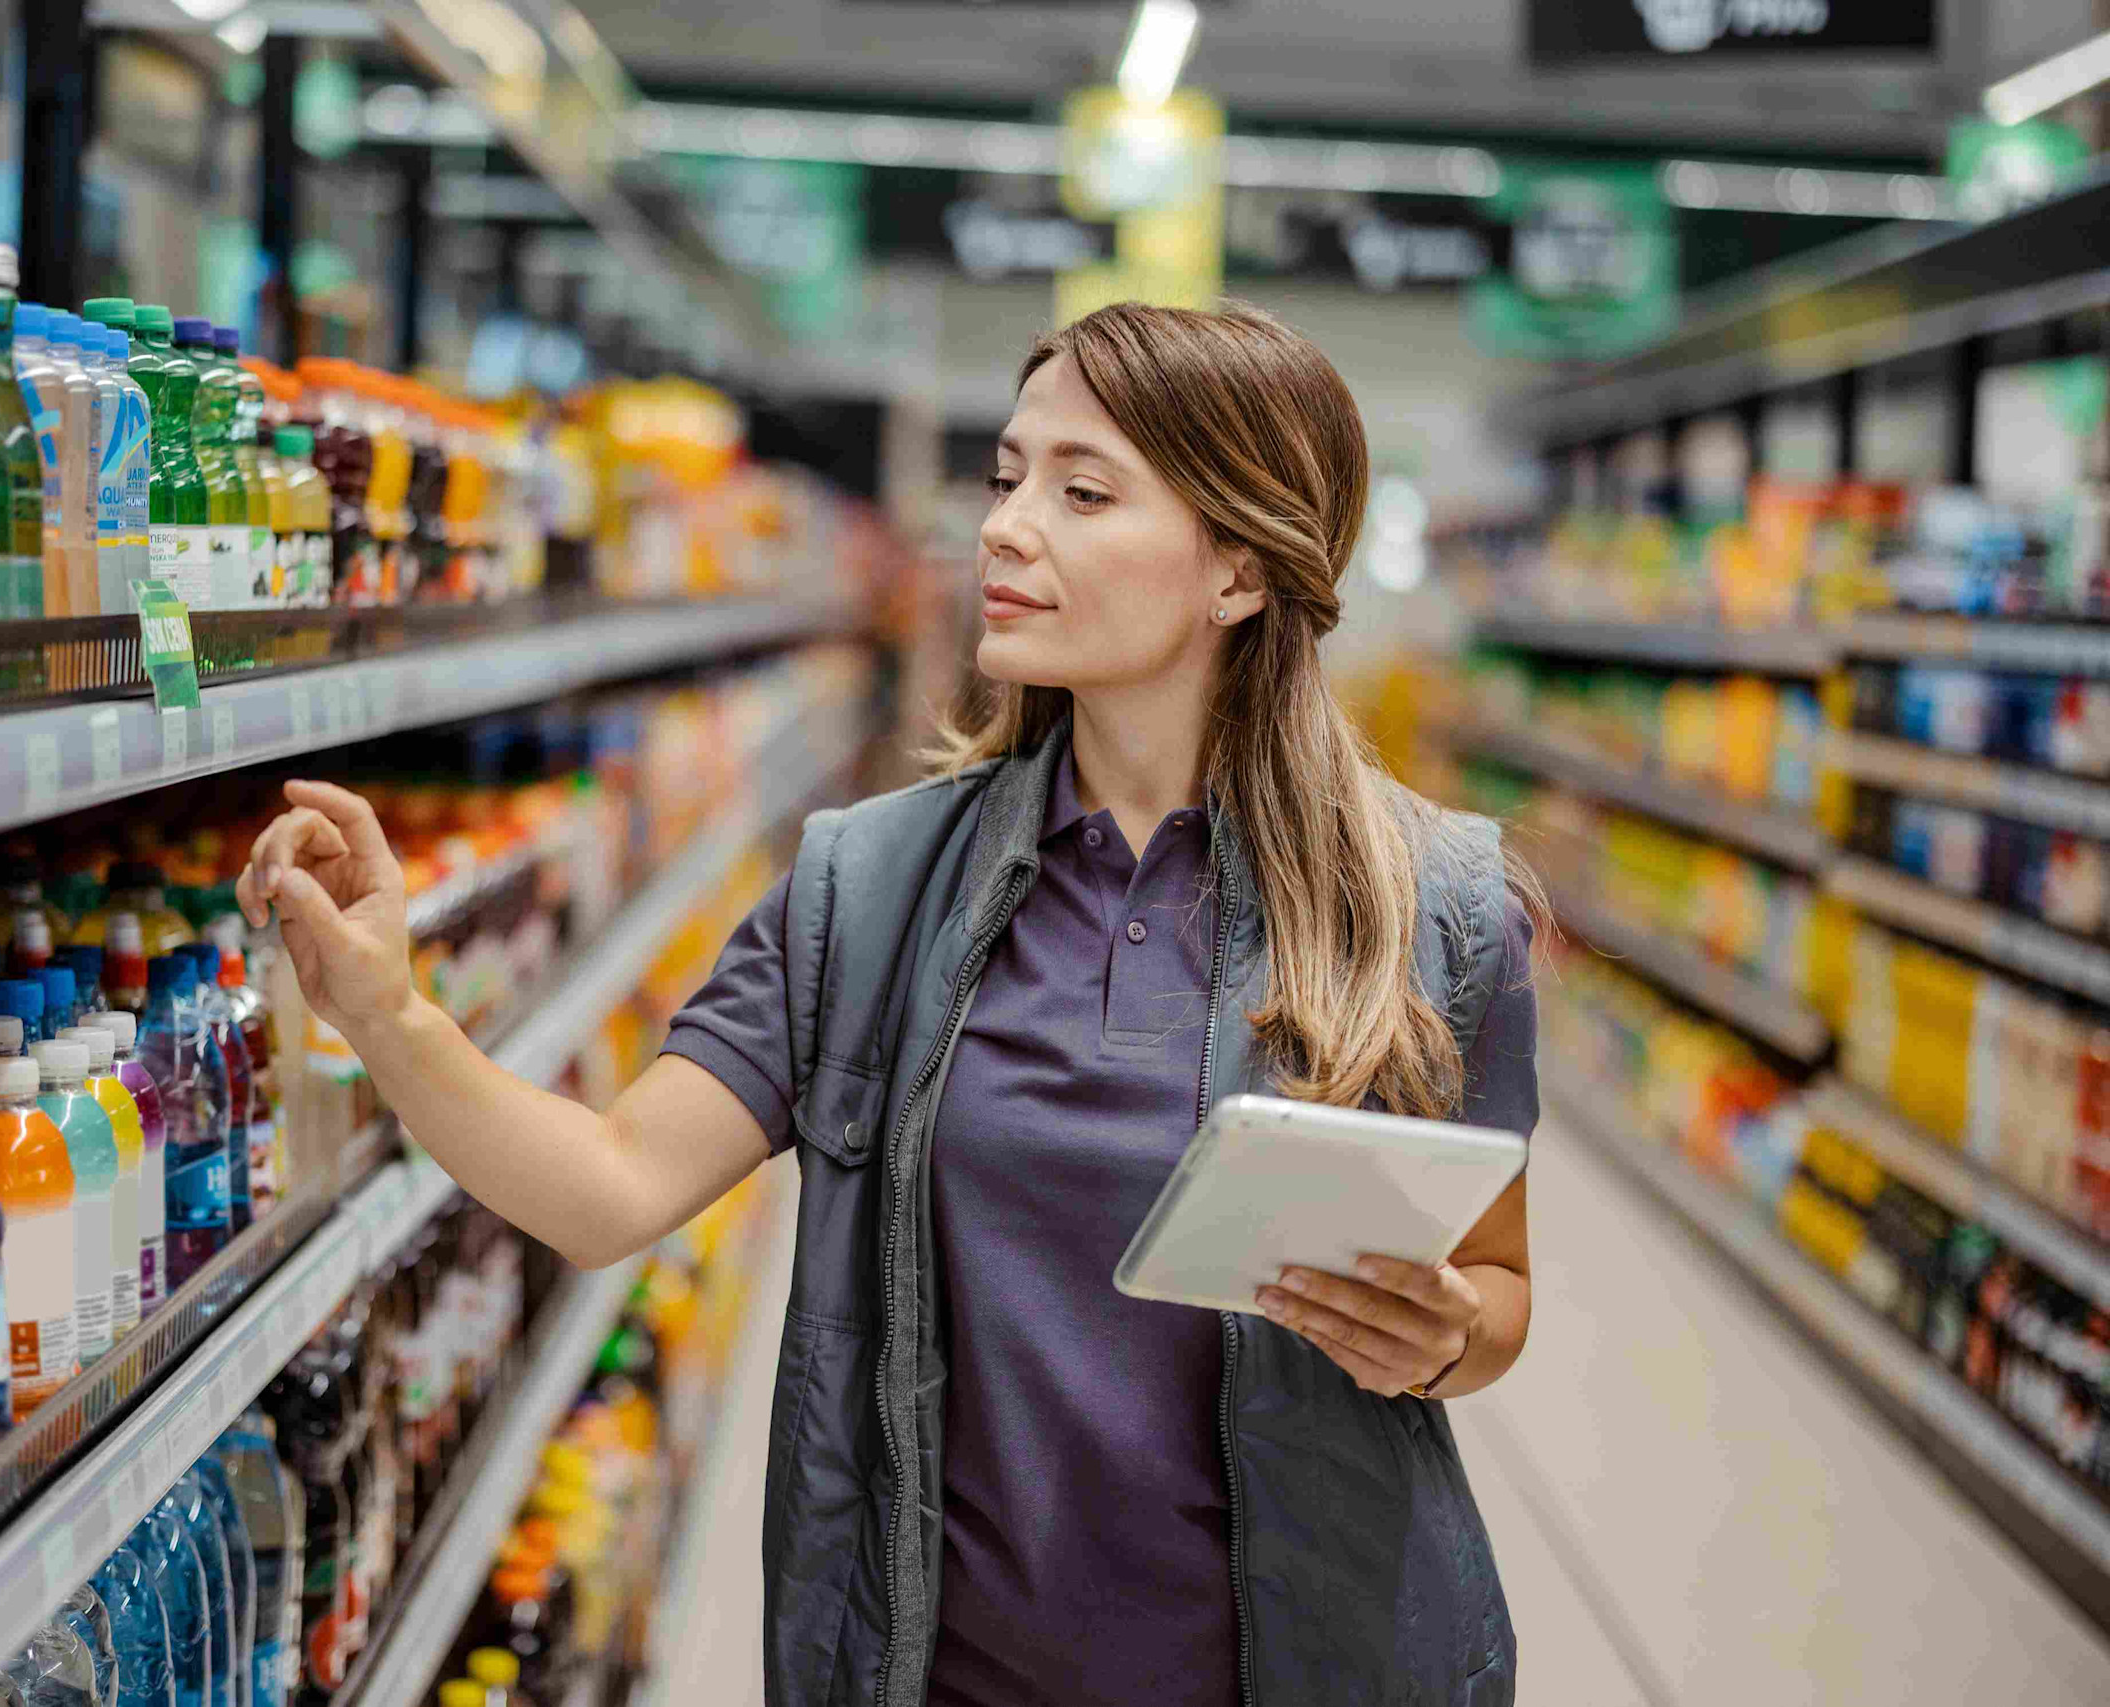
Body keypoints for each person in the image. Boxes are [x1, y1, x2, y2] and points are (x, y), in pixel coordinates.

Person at [237, 300, 1539, 1707]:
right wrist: (389, 1010)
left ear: (1237, 565)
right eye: (1006, 477)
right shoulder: (867, 889)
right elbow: (607, 1189)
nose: (1002, 526)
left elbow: (1501, 1290)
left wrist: (1452, 1333)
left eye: (1081, 491)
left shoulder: (1431, 906)